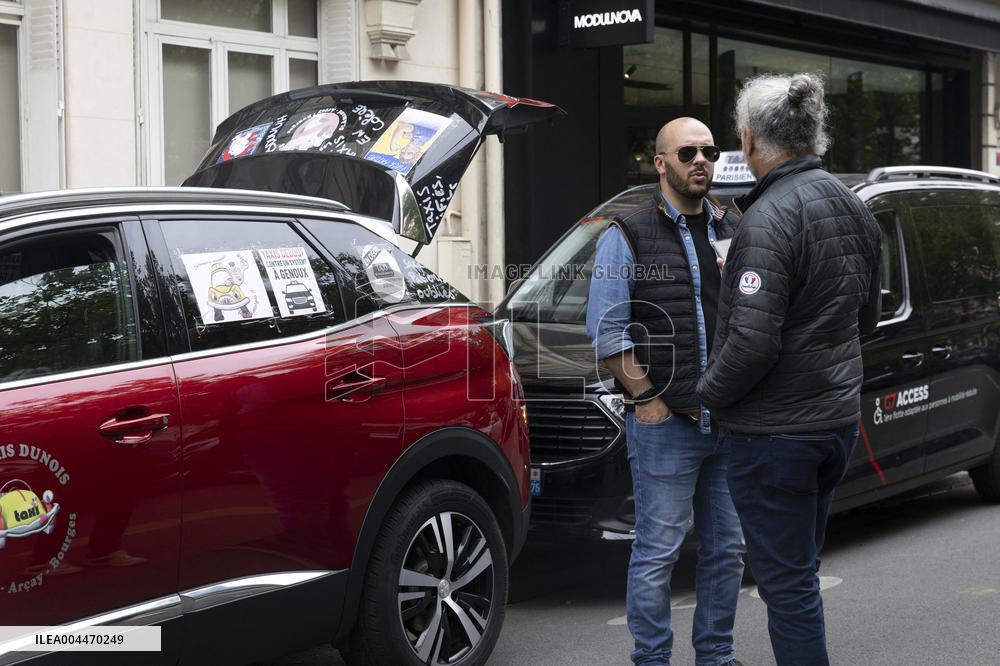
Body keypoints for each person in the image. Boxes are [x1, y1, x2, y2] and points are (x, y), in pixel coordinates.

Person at [696, 73, 882, 665]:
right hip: (832, 424)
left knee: (789, 587)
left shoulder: (767, 218)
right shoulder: (853, 205)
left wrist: (707, 393)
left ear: (749, 140)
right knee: (799, 574)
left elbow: (751, 345)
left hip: (775, 435)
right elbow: (865, 320)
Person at [586, 117, 746, 666]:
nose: (700, 161)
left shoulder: (731, 225)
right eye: (686, 153)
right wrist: (646, 400)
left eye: (709, 151)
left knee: (727, 552)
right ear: (660, 163)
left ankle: (716, 657)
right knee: (657, 553)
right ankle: (651, 661)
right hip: (666, 425)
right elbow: (607, 330)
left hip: (728, 421)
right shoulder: (626, 232)